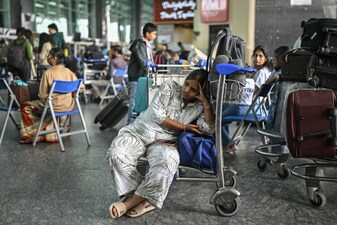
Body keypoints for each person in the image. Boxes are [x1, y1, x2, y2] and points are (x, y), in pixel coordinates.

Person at [106, 68, 215, 219]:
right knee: (116, 155)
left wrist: (206, 104)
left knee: (167, 163)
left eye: (193, 89)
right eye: (186, 84)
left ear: (200, 93)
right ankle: (144, 198)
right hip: (139, 132)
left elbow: (207, 129)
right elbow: (156, 115)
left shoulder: (199, 106)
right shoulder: (169, 87)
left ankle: (129, 203)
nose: (186, 89)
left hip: (165, 141)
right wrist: (184, 127)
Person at [19, 47, 78, 144]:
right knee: (46, 106)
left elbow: (42, 95)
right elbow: (81, 87)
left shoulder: (47, 73)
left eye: (49, 55)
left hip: (53, 107)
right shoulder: (69, 72)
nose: (47, 57)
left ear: (54, 58)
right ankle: (53, 131)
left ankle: (33, 134)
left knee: (26, 106)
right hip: (68, 106)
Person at [126, 22, 157, 125]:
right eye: (154, 34)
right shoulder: (140, 44)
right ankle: (129, 125)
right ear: (147, 33)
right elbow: (143, 61)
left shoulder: (146, 44)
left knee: (140, 101)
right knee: (134, 101)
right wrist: (149, 66)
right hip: (136, 76)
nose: (155, 36)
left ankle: (136, 124)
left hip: (141, 76)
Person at [264, 46, 291, 130]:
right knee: (269, 123)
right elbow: (266, 83)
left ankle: (276, 141)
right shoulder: (275, 71)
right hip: (274, 102)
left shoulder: (288, 71)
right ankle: (271, 140)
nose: (273, 60)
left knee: (280, 125)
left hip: (283, 104)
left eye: (276, 58)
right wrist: (274, 79)